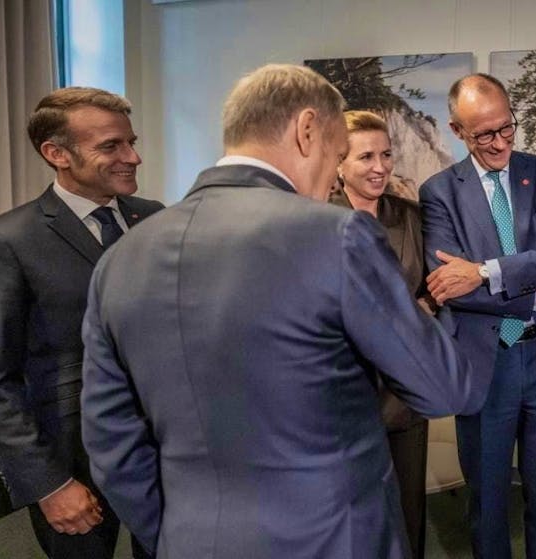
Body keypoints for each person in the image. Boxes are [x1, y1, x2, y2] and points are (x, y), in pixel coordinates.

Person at [78, 64, 489, 559]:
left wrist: (179, 531)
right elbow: (443, 388)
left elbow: (111, 444)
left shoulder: (121, 258)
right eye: (339, 153)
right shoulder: (338, 236)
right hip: (335, 539)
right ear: (307, 129)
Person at [0, 87, 164, 559]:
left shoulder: (155, 220)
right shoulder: (3, 242)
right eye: (111, 146)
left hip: (163, 457)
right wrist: (49, 485)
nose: (132, 157)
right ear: (57, 154)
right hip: (73, 468)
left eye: (131, 142)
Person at [419, 73, 536, 558]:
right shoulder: (438, 193)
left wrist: (485, 270)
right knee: (488, 501)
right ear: (457, 130)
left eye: (507, 128)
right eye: (483, 135)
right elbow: (449, 287)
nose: (499, 143)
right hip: (484, 364)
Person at [329, 109, 431, 558]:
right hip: (336, 396)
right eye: (365, 156)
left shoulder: (411, 218)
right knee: (346, 517)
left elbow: (435, 290)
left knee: (405, 515)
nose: (380, 166)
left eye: (386, 154)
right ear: (338, 164)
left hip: (404, 391)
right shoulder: (313, 218)